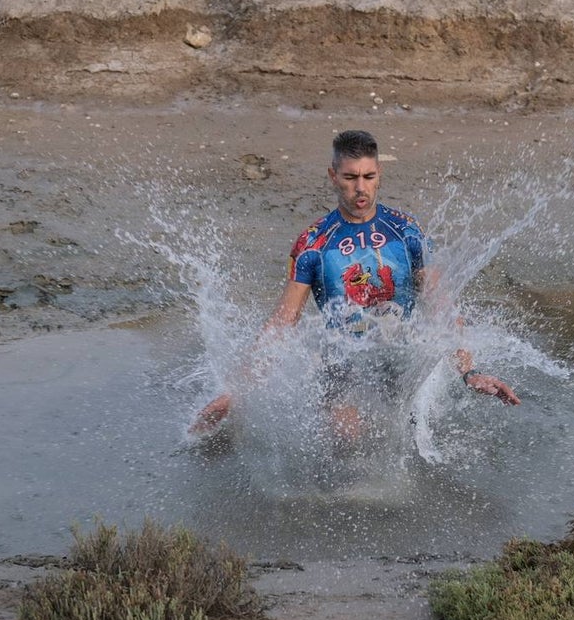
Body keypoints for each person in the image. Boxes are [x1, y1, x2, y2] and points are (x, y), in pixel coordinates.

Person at [190, 129, 519, 435]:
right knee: (346, 435)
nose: (360, 188)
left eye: (368, 177)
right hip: (342, 359)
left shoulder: (406, 233)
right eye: (350, 177)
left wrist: (469, 372)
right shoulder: (313, 245)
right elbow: (283, 321)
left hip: (399, 353)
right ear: (333, 176)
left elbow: (440, 305)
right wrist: (237, 392)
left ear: (379, 176)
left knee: (409, 432)